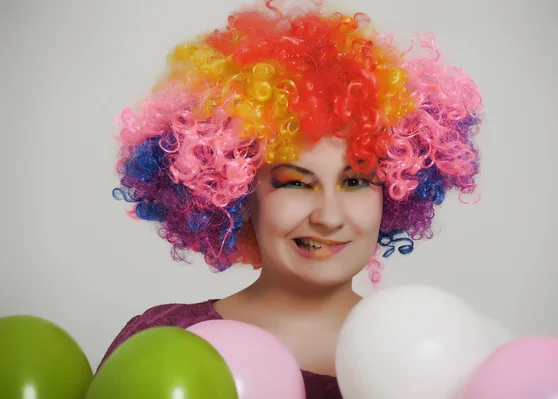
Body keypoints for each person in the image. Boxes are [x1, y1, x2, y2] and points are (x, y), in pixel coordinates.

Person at [103, 1, 483, 397]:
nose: (329, 217)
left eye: (355, 182)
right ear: (237, 193)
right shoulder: (166, 340)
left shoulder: (435, 358)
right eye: (297, 184)